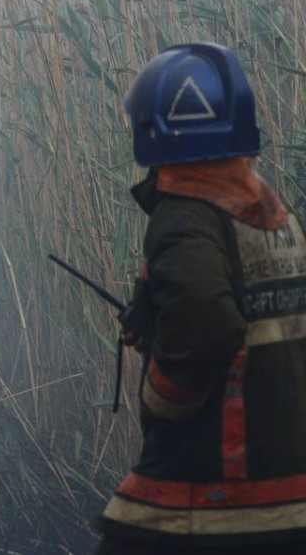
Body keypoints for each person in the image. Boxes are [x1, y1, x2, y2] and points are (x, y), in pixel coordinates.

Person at [96, 43, 306, 553]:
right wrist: (154, 319)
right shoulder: (271, 210)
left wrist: (159, 401)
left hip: (219, 487)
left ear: (154, 127)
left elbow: (207, 328)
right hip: (288, 487)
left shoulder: (185, 214)